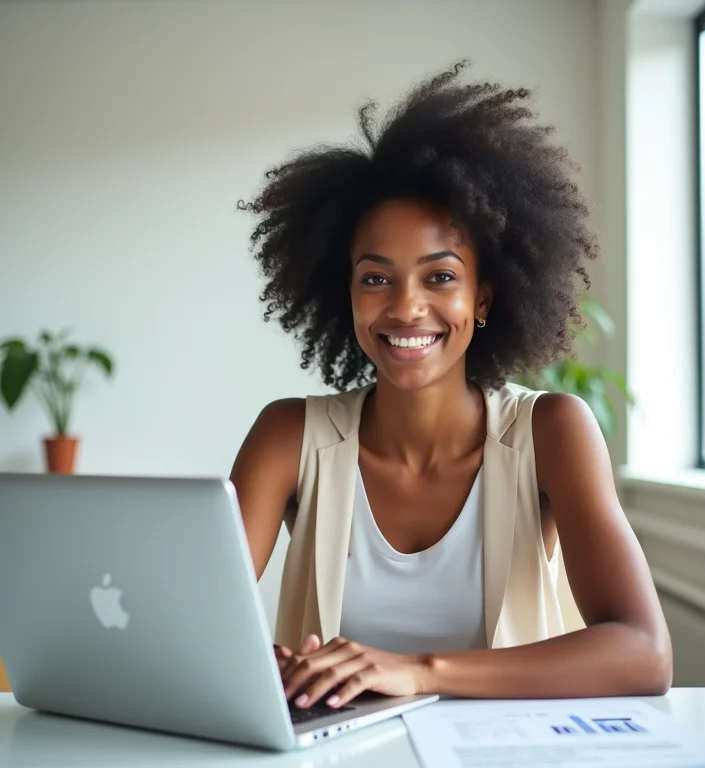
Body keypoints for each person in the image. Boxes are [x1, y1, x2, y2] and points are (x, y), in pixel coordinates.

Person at [231, 61, 672, 711]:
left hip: (507, 750)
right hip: (334, 751)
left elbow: (643, 652)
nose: (406, 307)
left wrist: (419, 671)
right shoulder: (288, 435)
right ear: (344, 292)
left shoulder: (551, 431)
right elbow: (197, 623)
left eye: (439, 277)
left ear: (483, 297)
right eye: (375, 278)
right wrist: (261, 664)